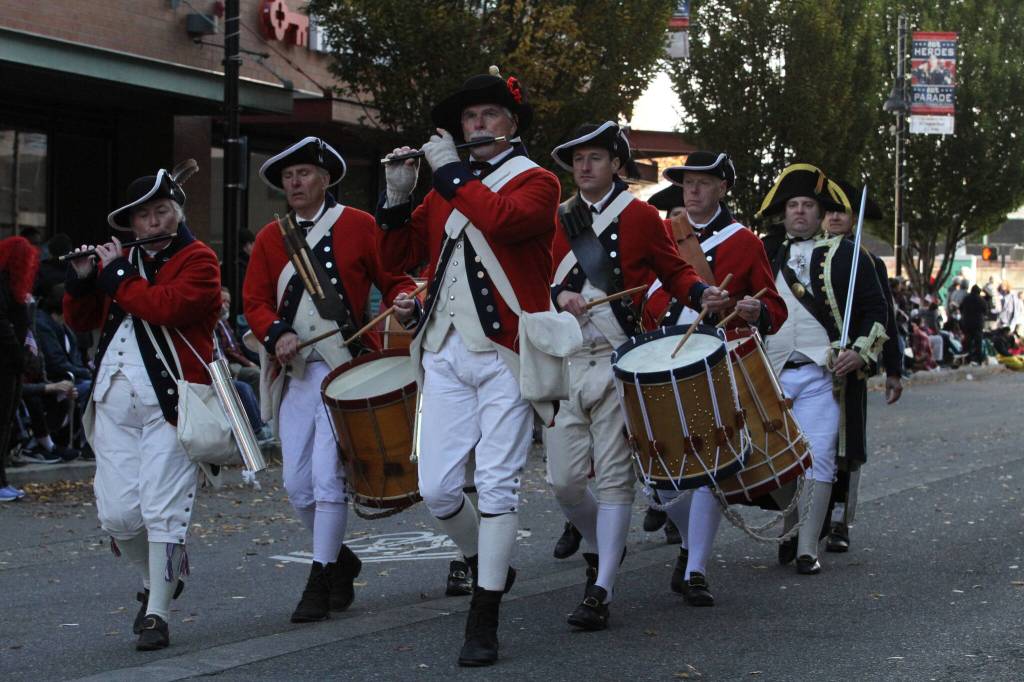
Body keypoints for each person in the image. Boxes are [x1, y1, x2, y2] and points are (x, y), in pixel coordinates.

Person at [381, 67, 558, 666]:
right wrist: (399, 198)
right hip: (445, 348)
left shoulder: (537, 181)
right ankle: (491, 564)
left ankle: (483, 617)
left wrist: (448, 174)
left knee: (500, 481)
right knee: (435, 488)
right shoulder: (442, 191)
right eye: (468, 120)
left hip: (508, 350)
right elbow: (403, 258)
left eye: (487, 117)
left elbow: (503, 221)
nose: (476, 126)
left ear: (511, 125)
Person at [244, 136, 417, 625]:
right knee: (296, 484)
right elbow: (254, 300)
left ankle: (320, 578)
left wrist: (404, 300)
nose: (294, 183)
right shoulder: (270, 238)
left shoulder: (360, 225)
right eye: (288, 177)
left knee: (326, 478)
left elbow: (396, 278)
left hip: (347, 370)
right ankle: (341, 558)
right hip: (297, 372)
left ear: (325, 178)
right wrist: (275, 331)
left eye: (303, 174)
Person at [63, 168, 222, 650]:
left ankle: (158, 612)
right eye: (143, 217)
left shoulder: (199, 259)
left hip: (171, 405)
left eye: (161, 213)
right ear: (131, 224)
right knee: (117, 516)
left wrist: (115, 274)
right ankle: (160, 579)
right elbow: (83, 320)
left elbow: (167, 307)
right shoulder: (123, 262)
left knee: (163, 511)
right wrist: (84, 281)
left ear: (177, 213)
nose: (153, 223)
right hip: (112, 402)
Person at [643, 151, 787, 605]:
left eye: (703, 183)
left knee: (707, 469)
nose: (693, 190)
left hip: (715, 363)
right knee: (664, 472)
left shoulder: (745, 242)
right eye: (688, 182)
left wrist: (755, 309)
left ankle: (696, 568)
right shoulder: (661, 235)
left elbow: (775, 308)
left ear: (723, 188)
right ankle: (688, 545)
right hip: (658, 357)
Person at [758, 164, 888, 575]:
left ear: (820, 212)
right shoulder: (763, 252)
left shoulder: (849, 256)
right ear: (784, 212)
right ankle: (792, 524)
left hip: (822, 376)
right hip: (769, 375)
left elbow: (876, 312)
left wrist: (860, 352)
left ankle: (808, 548)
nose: (799, 212)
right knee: (771, 463)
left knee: (820, 461)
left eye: (807, 205)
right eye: (793, 205)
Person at [821, 179, 903, 553]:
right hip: (805, 364)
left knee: (847, 446)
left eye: (842, 210)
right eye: (829, 209)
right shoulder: (798, 256)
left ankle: (841, 519)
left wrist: (894, 367)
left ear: (853, 217)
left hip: (850, 363)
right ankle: (810, 520)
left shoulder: (865, 260)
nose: (835, 215)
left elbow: (883, 314)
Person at [0, 236, 39, 502]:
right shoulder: (6, 286)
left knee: (6, 422)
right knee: (2, 421)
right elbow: (4, 325)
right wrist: (19, 353)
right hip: (6, 363)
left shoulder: (8, 286)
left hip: (10, 363)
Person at [960, 285, 986, 364]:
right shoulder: (981, 299)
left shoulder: (966, 298)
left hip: (967, 323)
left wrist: (965, 315)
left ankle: (968, 359)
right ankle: (979, 359)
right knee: (978, 342)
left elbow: (960, 308)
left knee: (968, 341)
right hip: (978, 324)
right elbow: (985, 310)